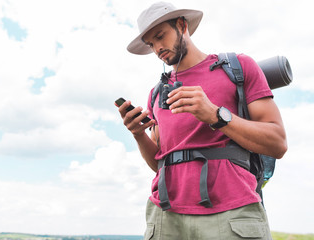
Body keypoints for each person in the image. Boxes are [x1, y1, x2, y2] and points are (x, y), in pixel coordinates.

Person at [116, 2, 287, 239]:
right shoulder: (157, 94)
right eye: (151, 44)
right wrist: (137, 134)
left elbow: (277, 143)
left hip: (231, 211)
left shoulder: (237, 67)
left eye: (160, 36)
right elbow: (160, 164)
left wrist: (216, 115)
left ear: (182, 24)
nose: (157, 48)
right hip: (166, 216)